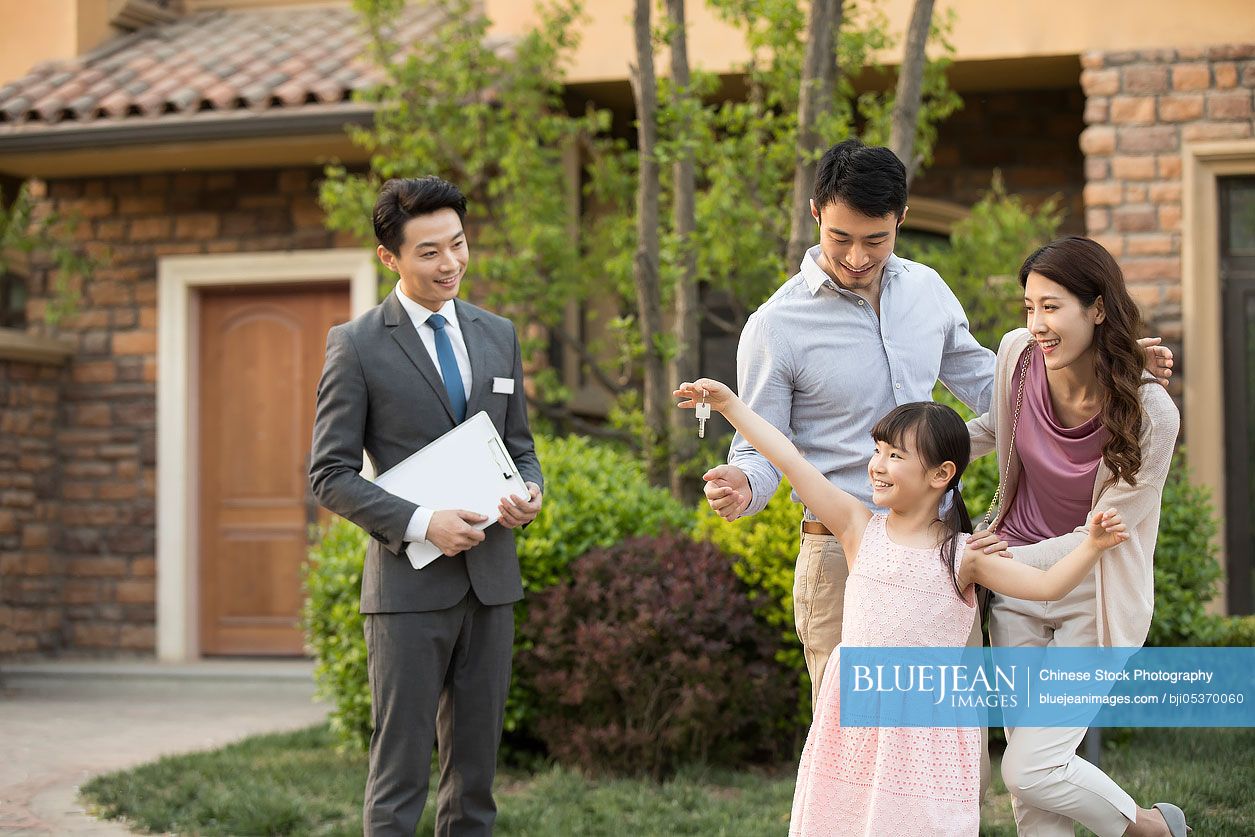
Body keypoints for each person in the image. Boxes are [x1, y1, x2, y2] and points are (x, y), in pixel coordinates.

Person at [702, 138, 1175, 708]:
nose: (857, 257)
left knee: (950, 738)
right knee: (856, 741)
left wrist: (1107, 363)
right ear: (815, 214)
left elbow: (999, 389)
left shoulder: (927, 292)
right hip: (846, 548)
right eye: (840, 238)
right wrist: (743, 484)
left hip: (942, 550)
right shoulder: (775, 327)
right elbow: (759, 448)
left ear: (901, 218)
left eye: (876, 239)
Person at [674, 380, 1130, 837]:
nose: (877, 465)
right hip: (854, 728)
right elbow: (790, 459)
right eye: (878, 450)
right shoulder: (857, 528)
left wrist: (1091, 546)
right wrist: (729, 404)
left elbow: (1046, 584)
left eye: (896, 455)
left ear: (940, 474)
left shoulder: (965, 555)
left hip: (925, 735)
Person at [310, 176, 544, 836]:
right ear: (390, 258)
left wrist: (530, 490)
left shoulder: (496, 333)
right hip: (407, 590)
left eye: (459, 244)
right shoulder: (354, 344)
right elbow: (328, 474)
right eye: (430, 252)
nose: (451, 264)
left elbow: (520, 446)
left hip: (491, 582)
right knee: (400, 774)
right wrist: (422, 523)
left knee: (475, 779)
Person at [971, 236, 1189, 837]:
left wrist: (996, 560)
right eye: (1029, 306)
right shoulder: (1017, 355)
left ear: (1096, 309)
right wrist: (912, 458)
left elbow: (1110, 534)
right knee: (1034, 791)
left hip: (1092, 597)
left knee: (1031, 767)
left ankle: (1150, 829)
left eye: (1052, 306)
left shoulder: (1152, 414)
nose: (1036, 324)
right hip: (1015, 590)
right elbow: (994, 428)